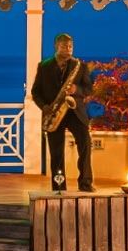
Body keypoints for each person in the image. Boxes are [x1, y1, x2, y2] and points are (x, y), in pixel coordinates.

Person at [30, 34, 95, 192]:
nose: (69, 49)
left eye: (71, 46)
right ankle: (59, 185)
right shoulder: (44, 66)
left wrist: (76, 89)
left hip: (75, 112)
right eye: (65, 46)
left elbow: (88, 89)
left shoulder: (80, 66)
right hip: (54, 114)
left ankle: (85, 183)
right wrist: (44, 107)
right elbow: (35, 91)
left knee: (85, 145)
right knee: (56, 153)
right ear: (56, 46)